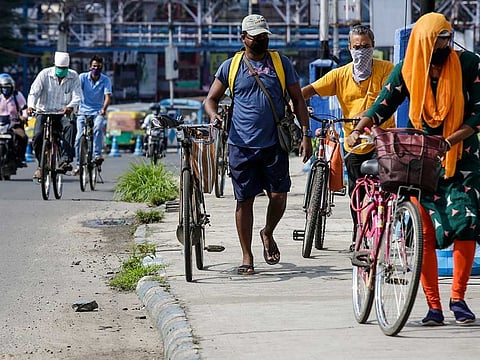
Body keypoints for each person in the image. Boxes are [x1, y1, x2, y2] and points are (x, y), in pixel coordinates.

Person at [346, 12, 480, 325]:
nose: (441, 47)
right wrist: (359, 128)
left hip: (462, 158)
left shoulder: (470, 65)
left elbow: (476, 116)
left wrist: (448, 141)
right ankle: (433, 307)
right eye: (434, 42)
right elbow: (383, 105)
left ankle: (458, 298)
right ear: (421, 44)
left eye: (445, 40)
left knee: (467, 223)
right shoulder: (409, 69)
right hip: (421, 162)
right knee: (423, 232)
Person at [203, 14, 313, 275]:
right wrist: (214, 115)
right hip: (240, 145)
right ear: (243, 38)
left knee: (279, 196)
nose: (261, 40)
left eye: (264, 36)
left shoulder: (280, 63)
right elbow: (211, 99)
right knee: (244, 201)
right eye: (256, 37)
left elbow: (298, 100)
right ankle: (247, 255)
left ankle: (268, 231)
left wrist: (307, 134)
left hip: (274, 144)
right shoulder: (231, 66)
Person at [302, 25, 395, 249]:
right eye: (357, 47)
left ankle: (385, 229)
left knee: (386, 188)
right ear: (349, 48)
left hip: (380, 138)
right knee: (356, 192)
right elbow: (310, 89)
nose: (361, 51)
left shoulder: (387, 70)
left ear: (373, 47)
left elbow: (383, 103)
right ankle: (358, 233)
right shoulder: (340, 75)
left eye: (365, 47)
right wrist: (294, 102)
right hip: (353, 143)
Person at [27, 51, 81, 180]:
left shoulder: (73, 76)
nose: (61, 71)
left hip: (62, 112)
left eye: (64, 68)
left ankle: (66, 159)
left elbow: (77, 95)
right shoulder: (44, 74)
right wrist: (31, 106)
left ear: (68, 67)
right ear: (54, 65)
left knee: (70, 127)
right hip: (44, 111)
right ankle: (41, 166)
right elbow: (34, 92)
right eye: (59, 68)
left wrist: (70, 106)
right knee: (38, 136)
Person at [72, 55, 112, 175]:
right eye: (94, 66)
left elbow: (107, 96)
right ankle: (79, 165)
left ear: (102, 68)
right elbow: (77, 93)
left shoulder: (106, 80)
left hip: (98, 111)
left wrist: (104, 109)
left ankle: (97, 155)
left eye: (99, 67)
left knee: (98, 128)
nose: (96, 68)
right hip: (82, 111)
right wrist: (75, 107)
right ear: (90, 67)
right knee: (79, 137)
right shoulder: (82, 77)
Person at [0, 73, 28, 167]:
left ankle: (21, 157)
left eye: (7, 87)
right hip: (1, 124)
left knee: (23, 137)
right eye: (3, 87)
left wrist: (24, 117)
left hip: (14, 124)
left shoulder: (17, 95)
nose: (5, 89)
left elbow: (24, 108)